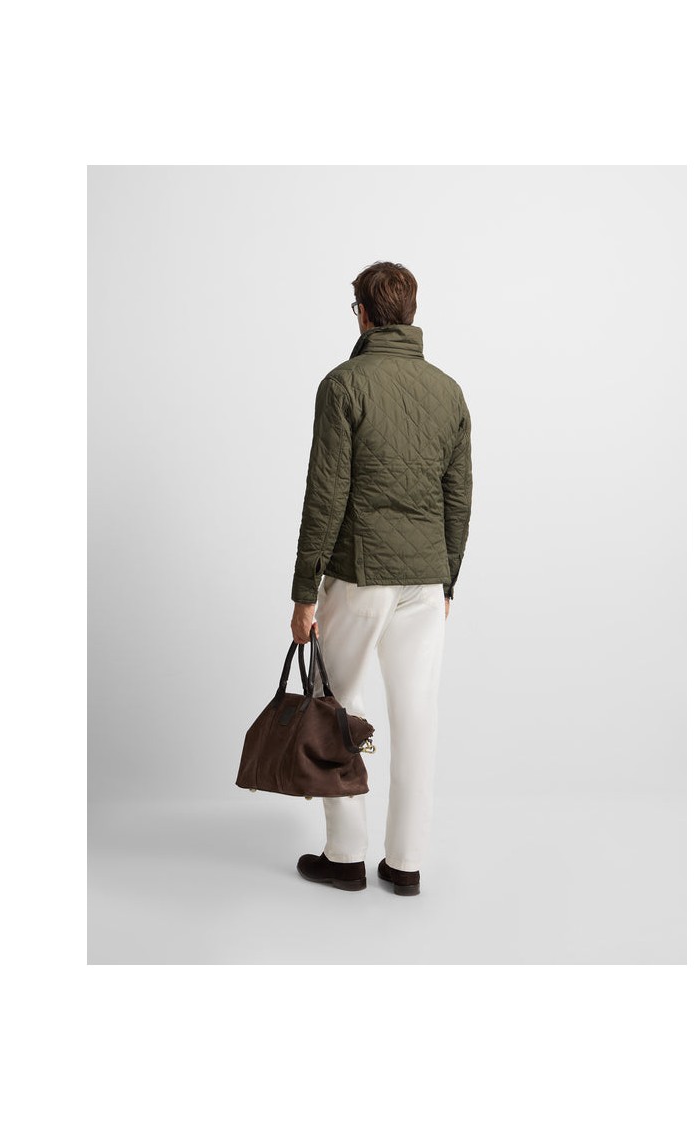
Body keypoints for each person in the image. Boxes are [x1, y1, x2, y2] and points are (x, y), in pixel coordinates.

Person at [290, 261, 473, 896]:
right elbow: (458, 497)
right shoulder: (448, 391)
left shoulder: (343, 385)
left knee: (339, 705)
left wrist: (304, 592)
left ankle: (346, 855)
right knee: (418, 716)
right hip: (425, 580)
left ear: (363, 314)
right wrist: (447, 581)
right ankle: (406, 863)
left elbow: (325, 497)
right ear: (410, 313)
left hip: (360, 576)